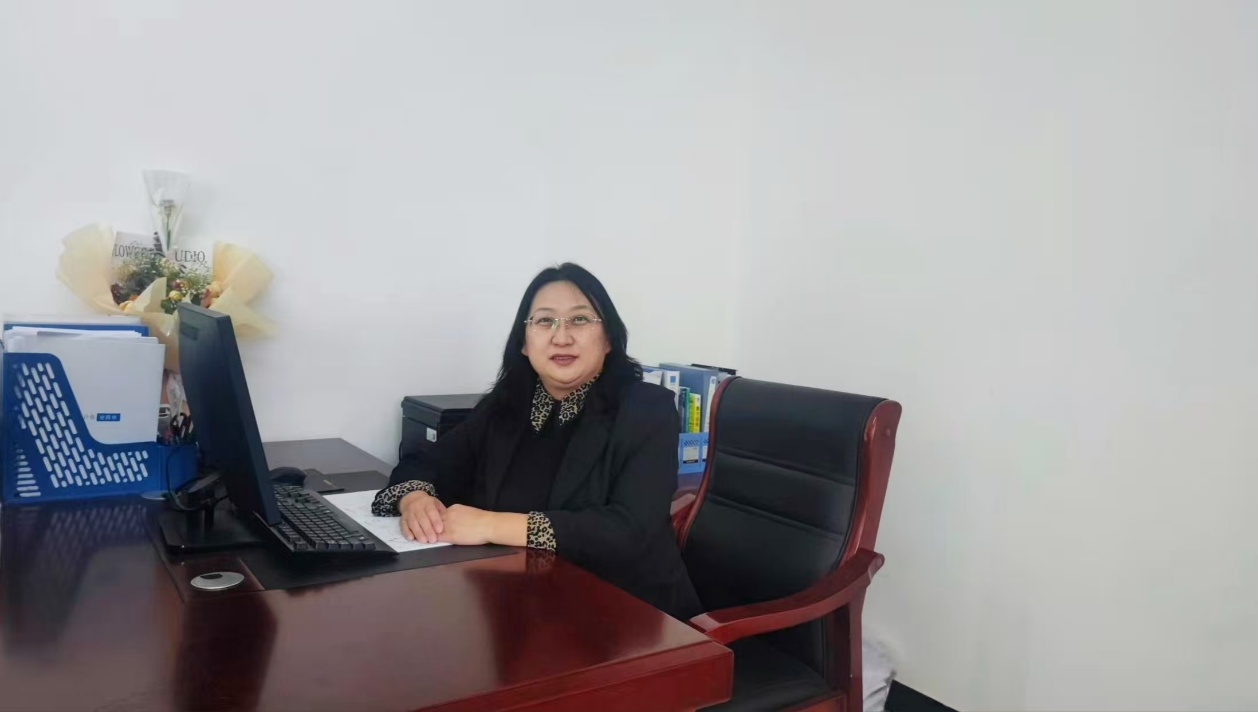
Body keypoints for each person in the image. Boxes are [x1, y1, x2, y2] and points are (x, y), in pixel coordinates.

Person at [371, 263, 702, 620]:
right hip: (528, 606)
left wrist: (490, 525)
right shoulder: (506, 406)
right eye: (545, 321)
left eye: (579, 320)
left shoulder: (647, 409)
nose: (561, 337)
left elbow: (630, 530)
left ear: (608, 339)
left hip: (633, 619)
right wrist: (415, 499)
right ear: (524, 344)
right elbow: (427, 460)